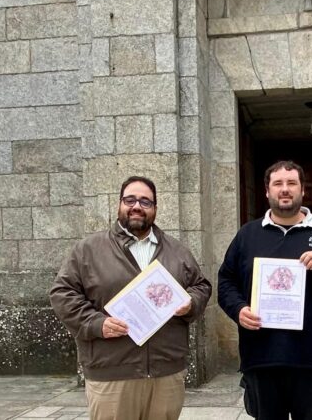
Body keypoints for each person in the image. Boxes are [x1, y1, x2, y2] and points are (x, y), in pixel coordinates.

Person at [50, 176, 212, 420]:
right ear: (119, 205)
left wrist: (191, 302)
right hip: (112, 371)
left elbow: (201, 285)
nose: (137, 206)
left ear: (155, 208)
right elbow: (62, 293)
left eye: (146, 201)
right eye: (130, 200)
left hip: (165, 372)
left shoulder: (177, 251)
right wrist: (96, 323)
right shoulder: (88, 249)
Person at [217, 160, 312, 420]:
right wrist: (238, 309)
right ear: (267, 191)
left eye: (291, 183)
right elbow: (226, 281)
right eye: (278, 183)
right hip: (262, 357)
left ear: (302, 190)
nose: (285, 189)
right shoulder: (248, 235)